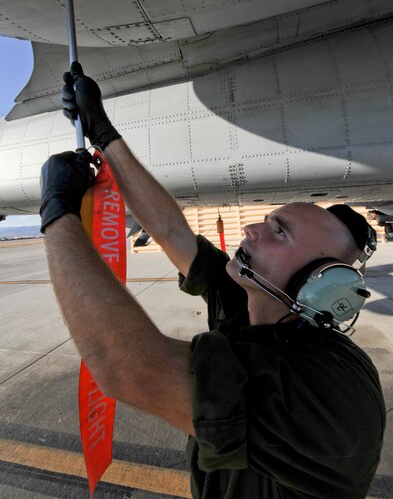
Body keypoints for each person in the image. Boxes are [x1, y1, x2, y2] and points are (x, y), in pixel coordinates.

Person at [40, 63, 386, 499]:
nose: (251, 231)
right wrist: (102, 132)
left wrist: (57, 212)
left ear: (316, 283)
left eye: (278, 231)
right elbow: (171, 231)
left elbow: (128, 367)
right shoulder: (256, 304)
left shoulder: (330, 394)